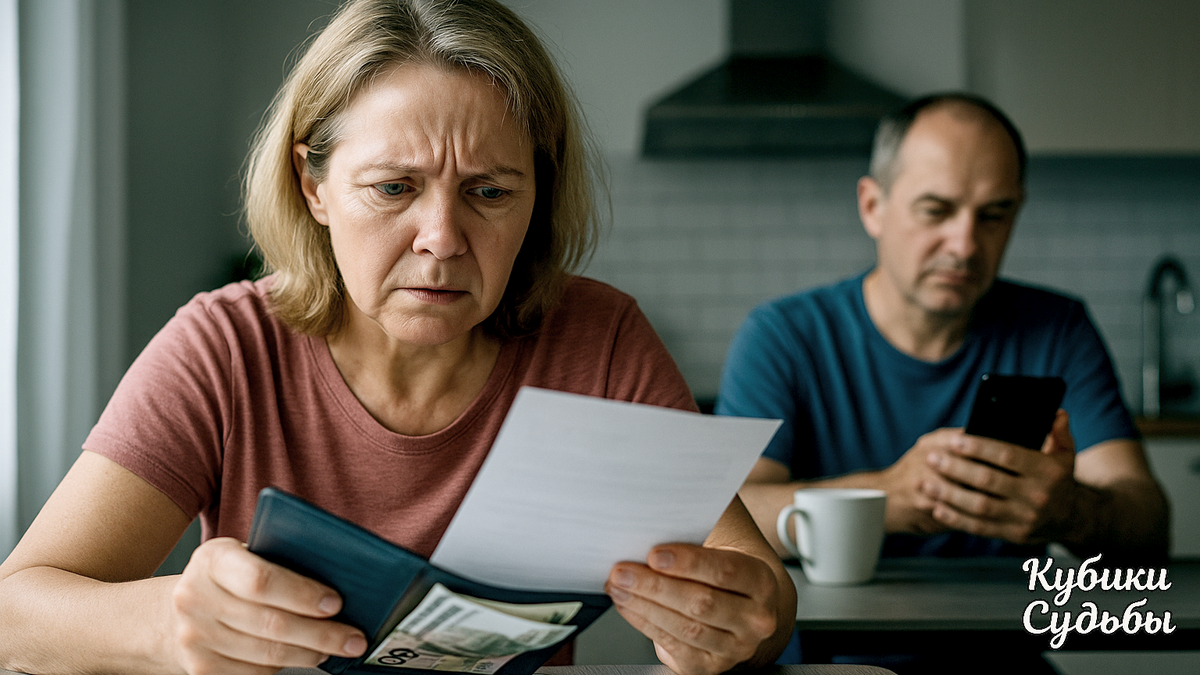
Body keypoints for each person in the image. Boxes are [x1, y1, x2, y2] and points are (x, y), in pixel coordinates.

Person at [0, 2, 796, 674]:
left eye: (488, 192)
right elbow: (13, 615)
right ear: (313, 187)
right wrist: (167, 622)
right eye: (393, 188)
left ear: (537, 198)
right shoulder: (226, 346)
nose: (443, 238)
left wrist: (742, 624)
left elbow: (760, 594)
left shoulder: (598, 336)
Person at [717, 93, 1168, 671]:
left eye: (994, 215)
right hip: (830, 665)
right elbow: (732, 514)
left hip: (1001, 662)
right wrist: (889, 498)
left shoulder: (1058, 329)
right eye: (936, 211)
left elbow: (1148, 527)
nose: (965, 245)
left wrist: (1068, 512)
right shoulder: (782, 334)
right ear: (873, 206)